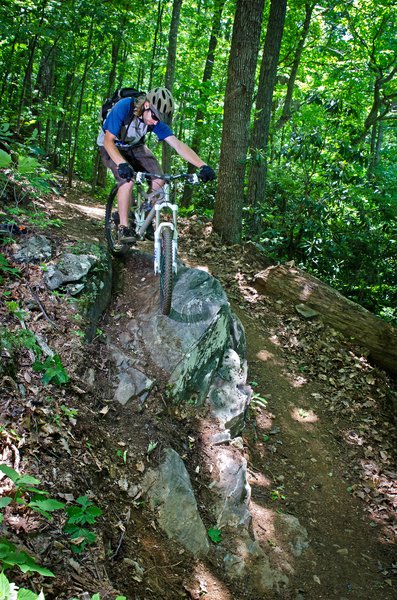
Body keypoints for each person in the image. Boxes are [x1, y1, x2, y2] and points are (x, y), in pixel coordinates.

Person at [97, 87, 215, 242]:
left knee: (160, 180)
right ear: (146, 105)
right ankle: (123, 228)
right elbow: (108, 141)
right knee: (127, 181)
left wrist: (202, 165)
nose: (154, 121)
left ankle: (146, 219)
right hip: (110, 145)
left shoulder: (154, 119)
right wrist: (121, 164)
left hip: (134, 146)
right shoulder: (124, 107)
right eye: (154, 117)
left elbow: (177, 145)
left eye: (159, 119)